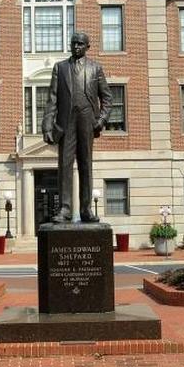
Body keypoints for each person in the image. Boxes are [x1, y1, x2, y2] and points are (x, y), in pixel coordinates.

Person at [42, 31, 112, 223]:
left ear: (87, 47)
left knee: (85, 164)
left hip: (87, 121)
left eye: (80, 44)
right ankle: (65, 209)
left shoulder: (95, 68)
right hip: (65, 123)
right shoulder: (60, 68)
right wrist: (47, 126)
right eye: (73, 43)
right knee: (65, 165)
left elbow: (107, 98)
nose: (76, 47)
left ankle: (86, 209)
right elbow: (52, 99)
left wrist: (101, 120)